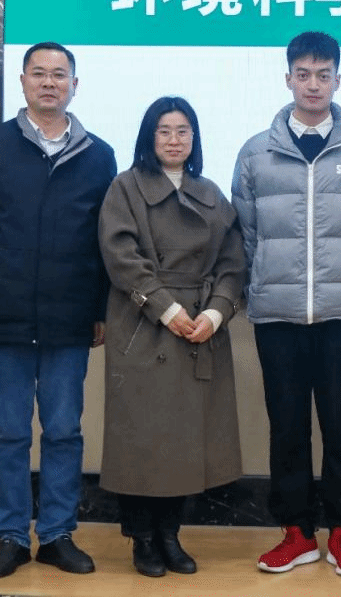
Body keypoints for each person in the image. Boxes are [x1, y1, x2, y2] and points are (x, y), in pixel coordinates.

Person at [0, 42, 116, 578]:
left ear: (74, 86)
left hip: (69, 320)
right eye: (38, 73)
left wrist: (100, 309)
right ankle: (13, 536)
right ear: (22, 82)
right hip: (5, 318)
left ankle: (58, 534)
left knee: (64, 431)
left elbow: (106, 242)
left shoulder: (99, 155)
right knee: (10, 433)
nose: (48, 82)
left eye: (59, 75)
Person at [231, 31, 341, 577]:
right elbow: (247, 235)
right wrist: (269, 281)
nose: (313, 85)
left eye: (324, 75)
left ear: (338, 80)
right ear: (288, 79)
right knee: (286, 424)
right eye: (304, 74)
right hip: (277, 315)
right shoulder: (256, 153)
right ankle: (296, 533)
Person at [97, 96, 245, 577]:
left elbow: (233, 263)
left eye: (183, 131)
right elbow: (121, 257)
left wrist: (216, 313)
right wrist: (167, 309)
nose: (174, 140)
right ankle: (142, 538)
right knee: (142, 437)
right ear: (149, 137)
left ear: (194, 138)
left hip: (199, 329)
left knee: (185, 441)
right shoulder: (125, 188)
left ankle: (170, 535)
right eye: (164, 131)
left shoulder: (211, 194)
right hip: (143, 325)